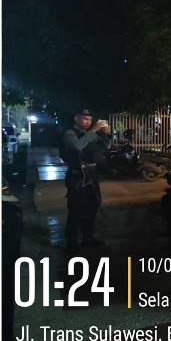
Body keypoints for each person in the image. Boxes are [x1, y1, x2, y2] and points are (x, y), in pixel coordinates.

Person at [60, 108, 110, 252]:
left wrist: (105, 133)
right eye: (84, 118)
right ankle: (71, 242)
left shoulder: (89, 134)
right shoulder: (70, 133)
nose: (88, 122)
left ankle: (88, 237)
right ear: (76, 118)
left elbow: (103, 148)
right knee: (76, 209)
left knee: (92, 206)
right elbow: (77, 147)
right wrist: (94, 130)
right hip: (77, 175)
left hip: (91, 174)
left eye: (90, 119)